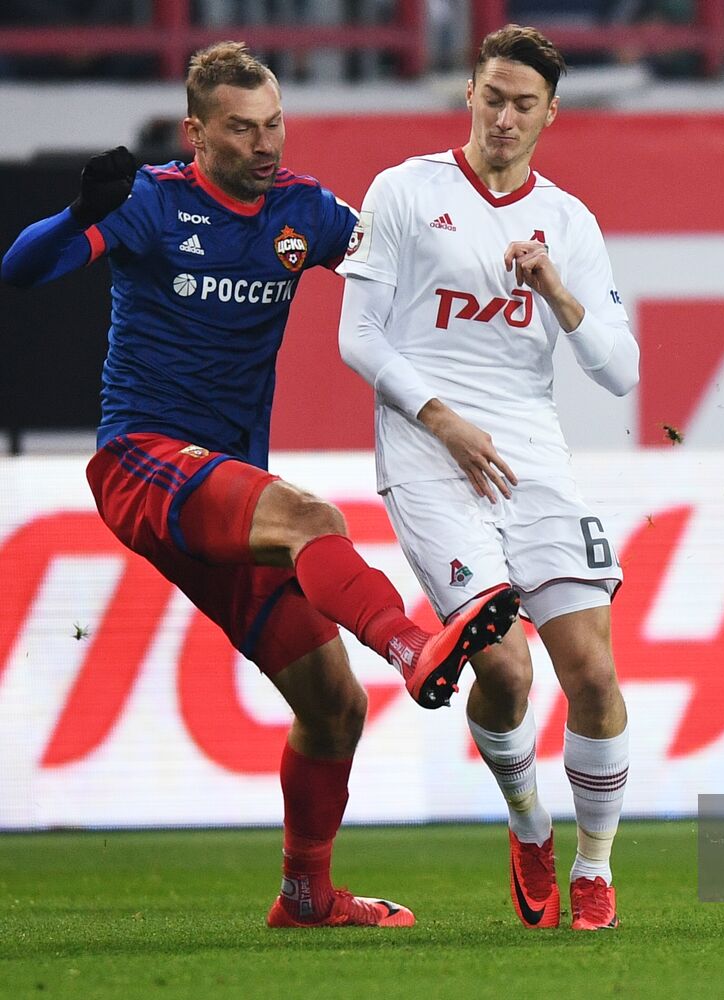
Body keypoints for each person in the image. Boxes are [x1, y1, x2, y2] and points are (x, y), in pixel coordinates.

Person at [0, 41, 522, 929]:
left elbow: (396, 264)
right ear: (195, 133)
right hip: (142, 461)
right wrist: (70, 217)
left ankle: (306, 897)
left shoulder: (304, 213)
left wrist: (500, 271)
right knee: (311, 516)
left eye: (274, 123)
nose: (265, 143)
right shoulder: (149, 205)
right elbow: (20, 271)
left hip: (230, 485)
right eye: (242, 129)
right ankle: (411, 647)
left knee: (332, 707)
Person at [337, 24, 639, 931]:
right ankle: (527, 823)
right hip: (429, 451)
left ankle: (593, 865)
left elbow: (620, 370)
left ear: (552, 113)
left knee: (591, 668)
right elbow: (357, 336)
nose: (504, 118)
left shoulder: (570, 221)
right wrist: (441, 419)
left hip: (532, 452)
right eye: (493, 97)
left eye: (525, 104)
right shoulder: (404, 190)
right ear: (469, 92)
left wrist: (556, 289)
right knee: (503, 668)